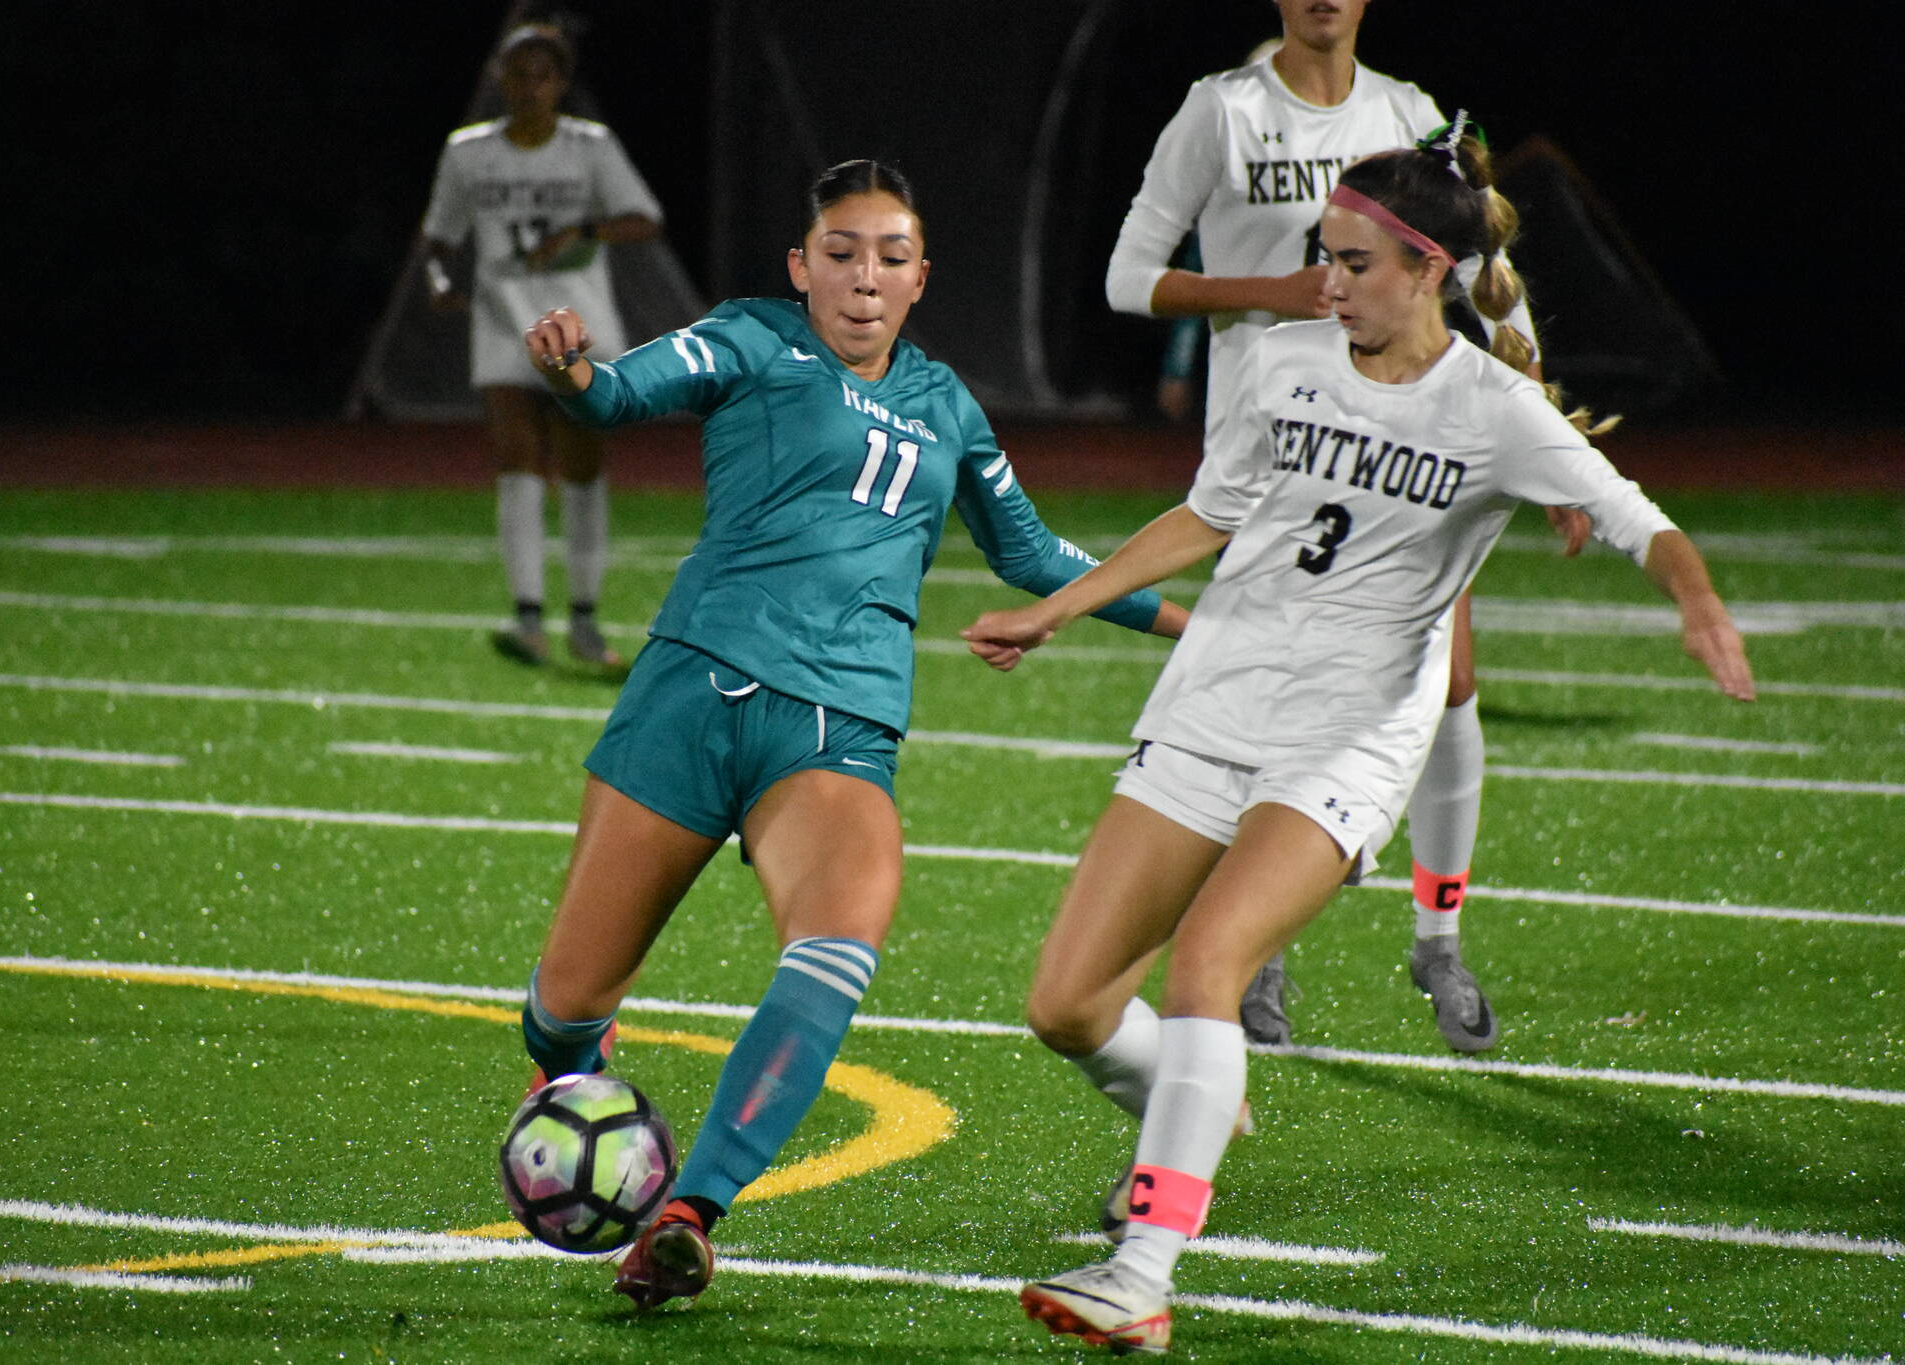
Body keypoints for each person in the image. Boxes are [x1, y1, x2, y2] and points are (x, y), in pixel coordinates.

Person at [967, 127, 1754, 1354]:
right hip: (1213, 700)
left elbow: (1639, 523)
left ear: (1427, 268)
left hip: (1346, 739)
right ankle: (1196, 1097)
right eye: (1319, 259)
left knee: (1204, 973)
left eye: (1350, 264)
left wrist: (1695, 601)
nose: (1323, 285)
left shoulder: (1494, 408)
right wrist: (1058, 611)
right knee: (1066, 1008)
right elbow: (1202, 516)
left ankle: (1142, 1268)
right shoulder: (1284, 364)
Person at [513, 159, 1188, 1311]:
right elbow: (617, 393)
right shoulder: (748, 340)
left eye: (887, 256)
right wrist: (573, 373)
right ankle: (577, 1090)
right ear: (801, 268)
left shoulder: (949, 409)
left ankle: (688, 1211)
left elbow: (1029, 554)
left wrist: (1188, 625)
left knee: (836, 945)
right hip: (686, 700)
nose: (862, 277)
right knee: (562, 1008)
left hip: (838, 730)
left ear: (920, 276)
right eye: (839, 253)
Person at [1105, 0, 1584, 1052]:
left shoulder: (1404, 110)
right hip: (1272, 452)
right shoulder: (1219, 112)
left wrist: (1532, 396)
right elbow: (1126, 278)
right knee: (1270, 698)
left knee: (1452, 680)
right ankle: (1256, 949)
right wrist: (1268, 291)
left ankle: (1436, 938)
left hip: (1405, 443)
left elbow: (1477, 268)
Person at [420, 22, 662, 668]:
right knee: (517, 464)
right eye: (518, 73)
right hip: (503, 320)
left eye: (543, 74)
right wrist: (440, 280)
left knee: (582, 468)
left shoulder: (590, 147)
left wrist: (581, 228)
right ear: (500, 79)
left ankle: (584, 619)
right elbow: (438, 239)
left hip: (579, 326)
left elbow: (644, 218)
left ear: (561, 83)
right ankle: (528, 617)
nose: (530, 87)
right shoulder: (468, 152)